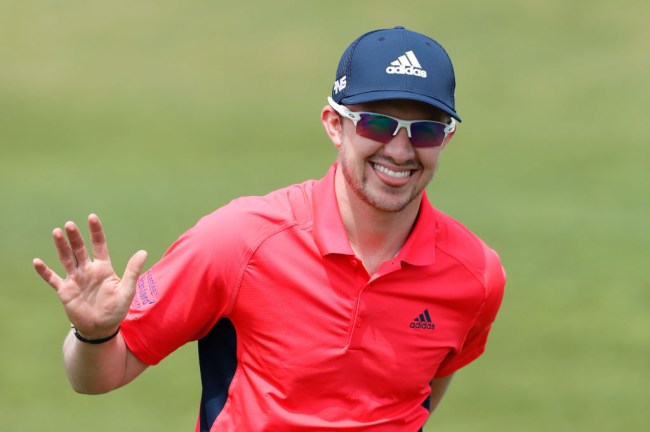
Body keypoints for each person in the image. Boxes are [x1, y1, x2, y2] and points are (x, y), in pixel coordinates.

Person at [33, 26, 505, 431]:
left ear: (447, 138)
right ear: (334, 125)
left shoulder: (476, 274)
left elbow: (419, 397)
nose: (400, 152)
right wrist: (94, 335)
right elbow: (100, 376)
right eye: (377, 125)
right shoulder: (238, 240)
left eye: (425, 131)